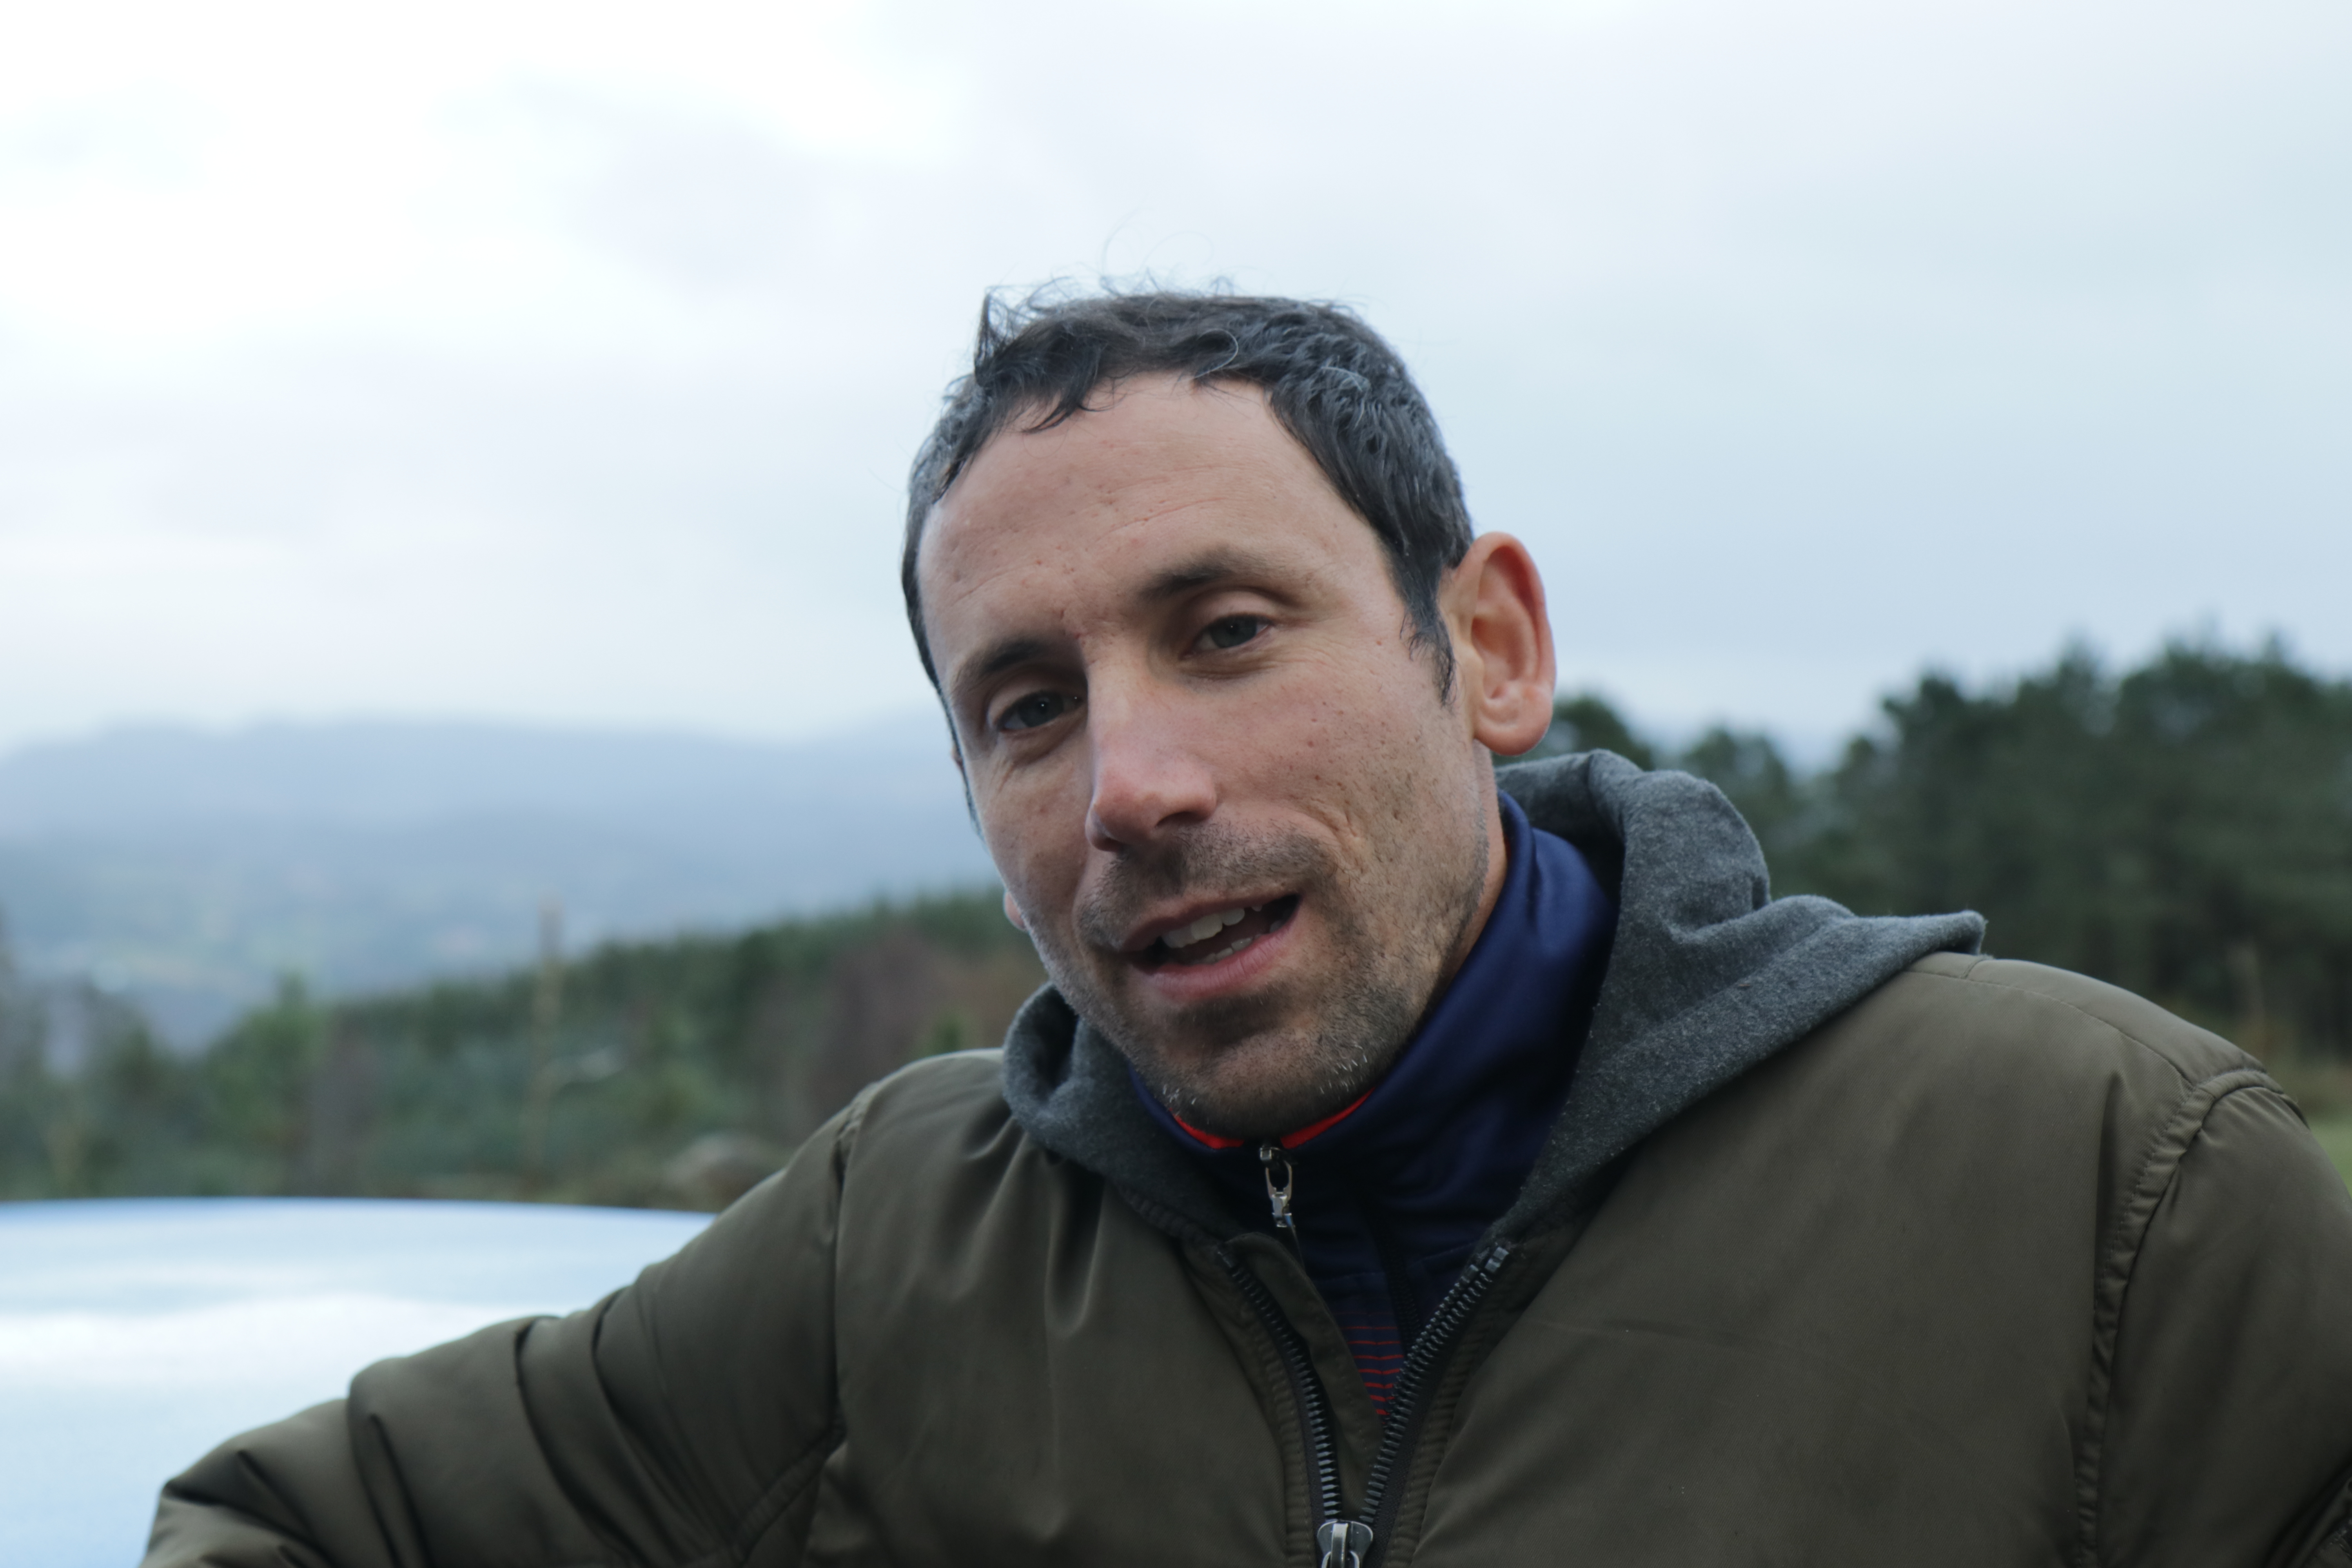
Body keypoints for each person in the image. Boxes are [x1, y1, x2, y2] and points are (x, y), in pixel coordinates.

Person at [146, 291, 2352, 1568]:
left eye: (1225, 631)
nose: (1130, 786)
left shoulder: (2110, 1184)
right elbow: (292, 1528)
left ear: (1488, 649)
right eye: (1028, 706)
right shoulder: (891, 1241)